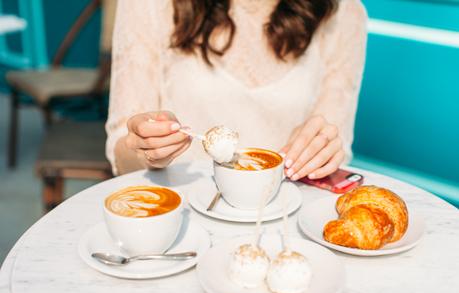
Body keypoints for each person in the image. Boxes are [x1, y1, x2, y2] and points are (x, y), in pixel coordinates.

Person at [106, 0, 367, 180]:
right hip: (181, 219)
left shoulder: (343, 14)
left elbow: (336, 146)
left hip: (283, 222)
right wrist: (147, 151)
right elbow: (121, 157)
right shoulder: (150, 5)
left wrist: (322, 149)